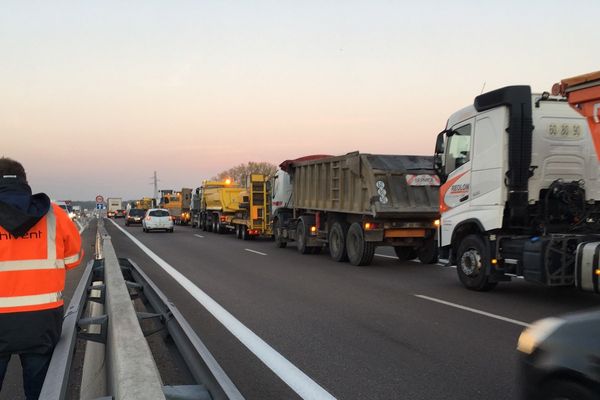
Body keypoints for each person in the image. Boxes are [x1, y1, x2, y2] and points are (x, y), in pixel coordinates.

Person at [0, 157, 83, 400]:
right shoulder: (54, 214)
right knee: (41, 392)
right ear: (24, 182)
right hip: (41, 319)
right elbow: (73, 259)